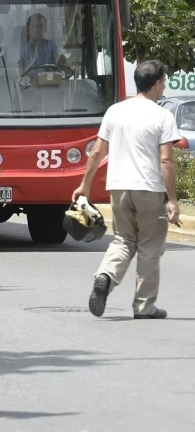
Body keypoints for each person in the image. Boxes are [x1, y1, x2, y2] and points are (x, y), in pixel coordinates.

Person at [72, 60, 181, 319]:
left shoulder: (115, 111)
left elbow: (97, 151)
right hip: (148, 190)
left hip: (118, 188)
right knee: (149, 246)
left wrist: (84, 186)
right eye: (163, 82)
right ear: (156, 85)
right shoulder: (162, 115)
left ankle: (105, 276)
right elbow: (166, 160)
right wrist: (173, 200)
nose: (164, 86)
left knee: (123, 240)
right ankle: (144, 307)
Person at [18, 13, 69, 77]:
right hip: (27, 85)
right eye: (34, 26)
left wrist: (63, 64)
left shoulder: (51, 45)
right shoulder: (22, 48)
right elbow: (18, 70)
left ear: (45, 29)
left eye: (40, 26)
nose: (38, 29)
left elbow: (60, 59)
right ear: (28, 29)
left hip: (49, 84)